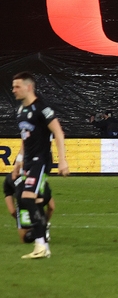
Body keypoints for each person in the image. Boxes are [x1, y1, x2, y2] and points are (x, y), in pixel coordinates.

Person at [11, 71, 69, 259]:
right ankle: (42, 244)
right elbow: (24, 140)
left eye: (17, 86)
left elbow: (59, 133)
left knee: (27, 198)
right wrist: (18, 162)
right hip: (28, 162)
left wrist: (62, 160)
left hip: (41, 161)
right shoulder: (20, 111)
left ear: (29, 87)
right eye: (13, 86)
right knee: (31, 200)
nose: (13, 90)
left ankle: (41, 244)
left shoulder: (42, 109)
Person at [4, 167, 55, 244]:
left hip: (24, 193)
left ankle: (40, 226)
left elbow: (51, 207)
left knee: (26, 237)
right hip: (16, 188)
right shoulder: (24, 196)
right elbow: (51, 207)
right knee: (26, 238)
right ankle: (40, 226)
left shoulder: (44, 192)